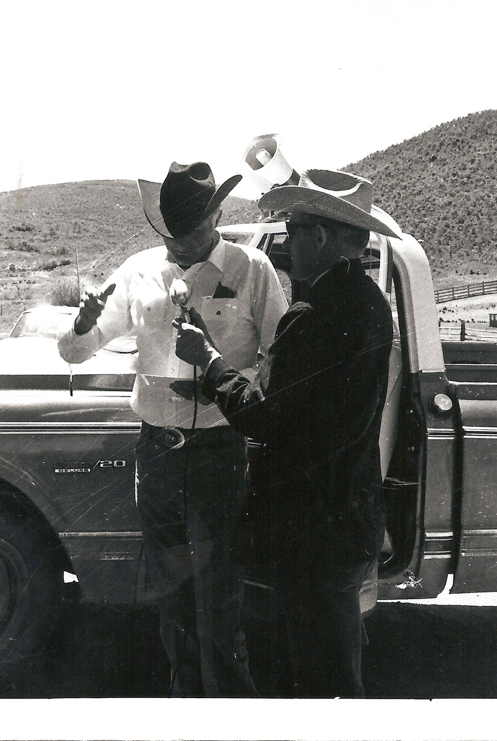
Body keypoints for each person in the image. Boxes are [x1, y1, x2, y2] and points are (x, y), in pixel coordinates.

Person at [58, 160, 288, 697]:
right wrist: (82, 323)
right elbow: (75, 352)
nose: (182, 242)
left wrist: (223, 382)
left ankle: (232, 716)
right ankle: (186, 709)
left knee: (220, 599)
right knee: (172, 599)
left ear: (217, 216)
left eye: (193, 228)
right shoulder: (137, 271)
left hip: (218, 451)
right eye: (173, 231)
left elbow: (280, 358)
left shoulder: (252, 269)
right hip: (157, 455)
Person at [175, 168, 400, 698]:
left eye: (292, 230)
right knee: (334, 657)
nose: (286, 242)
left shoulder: (314, 312)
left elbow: (263, 414)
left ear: (318, 237)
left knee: (321, 676)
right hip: (347, 516)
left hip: (314, 529)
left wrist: (209, 361)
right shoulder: (368, 301)